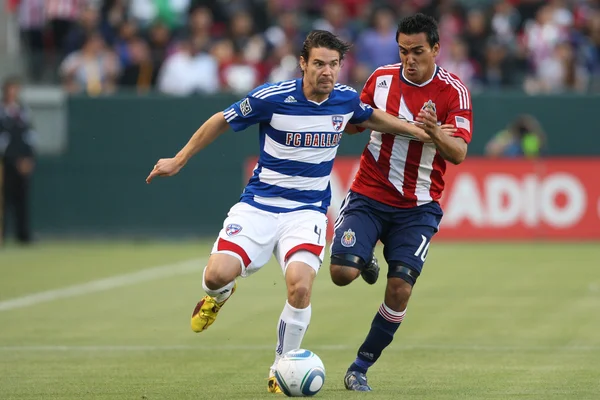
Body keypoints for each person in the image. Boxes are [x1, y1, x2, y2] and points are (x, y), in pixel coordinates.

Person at [145, 30, 456, 393]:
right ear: (303, 64)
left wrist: (422, 133)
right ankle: (218, 296)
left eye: (334, 65)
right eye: (320, 64)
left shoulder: (344, 100)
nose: (328, 72)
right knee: (216, 274)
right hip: (258, 206)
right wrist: (178, 160)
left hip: (306, 213)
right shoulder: (272, 98)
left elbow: (375, 118)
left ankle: (281, 367)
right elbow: (220, 119)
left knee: (300, 288)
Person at [328, 14, 473, 392]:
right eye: (404, 51)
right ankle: (363, 256)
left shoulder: (453, 92)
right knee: (342, 274)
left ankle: (360, 366)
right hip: (369, 194)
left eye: (418, 51)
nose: (410, 59)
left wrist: (434, 131)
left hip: (419, 207)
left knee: (400, 290)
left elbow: (457, 153)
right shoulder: (380, 80)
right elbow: (356, 121)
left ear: (436, 49)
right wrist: (341, 120)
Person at [0, 76, 36, 245]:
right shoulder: (2, 111)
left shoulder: (23, 111)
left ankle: (23, 234)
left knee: (22, 198)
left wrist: (28, 157)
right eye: (11, 89)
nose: (14, 92)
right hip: (5, 161)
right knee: (4, 198)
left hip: (22, 160)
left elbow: (30, 135)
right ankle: (3, 234)